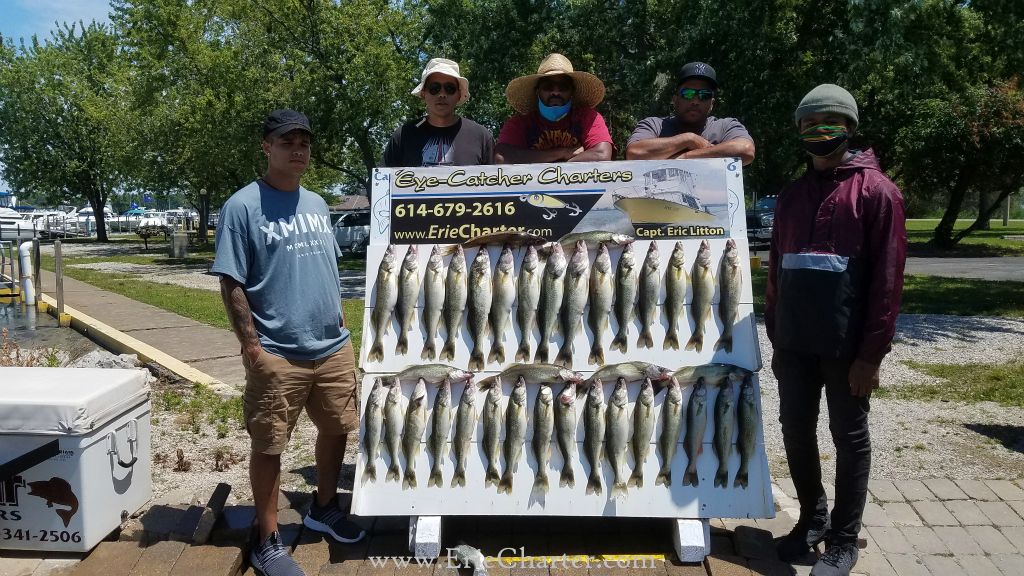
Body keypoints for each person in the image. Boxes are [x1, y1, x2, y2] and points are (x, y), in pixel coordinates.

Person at [212, 109, 365, 576]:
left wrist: (339, 318)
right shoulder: (242, 206)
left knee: (337, 427)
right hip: (277, 351)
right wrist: (250, 345)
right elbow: (231, 282)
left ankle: (324, 507)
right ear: (267, 148)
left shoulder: (318, 203)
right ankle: (267, 536)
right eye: (286, 142)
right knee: (271, 443)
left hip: (332, 346)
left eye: (304, 142)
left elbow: (326, 270)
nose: (297, 149)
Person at [765, 85, 906, 576]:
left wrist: (872, 356)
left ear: (849, 127)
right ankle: (812, 518)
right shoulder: (791, 194)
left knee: (849, 437)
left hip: (848, 349)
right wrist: (776, 331)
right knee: (796, 433)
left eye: (831, 123)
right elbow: (777, 269)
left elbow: (887, 283)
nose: (820, 132)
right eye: (810, 123)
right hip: (795, 343)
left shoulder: (878, 192)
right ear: (799, 130)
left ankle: (845, 540)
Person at [625, 62, 755, 165]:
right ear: (675, 100)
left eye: (704, 95)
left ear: (712, 104)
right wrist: (688, 139)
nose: (695, 101)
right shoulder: (654, 125)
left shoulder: (726, 126)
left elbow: (746, 149)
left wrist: (685, 157)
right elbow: (634, 152)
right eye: (688, 94)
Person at [494, 53, 613, 163]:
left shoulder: (589, 118)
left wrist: (554, 169)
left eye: (563, 87)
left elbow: (602, 155)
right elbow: (501, 157)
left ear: (572, 92)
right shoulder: (519, 123)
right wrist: (562, 153)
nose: (555, 92)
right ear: (537, 91)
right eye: (548, 86)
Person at [383, 57, 494, 167]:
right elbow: (384, 181)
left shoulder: (481, 137)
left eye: (450, 88)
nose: (442, 94)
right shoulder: (403, 136)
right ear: (423, 94)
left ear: (459, 95)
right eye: (434, 88)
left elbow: (495, 181)